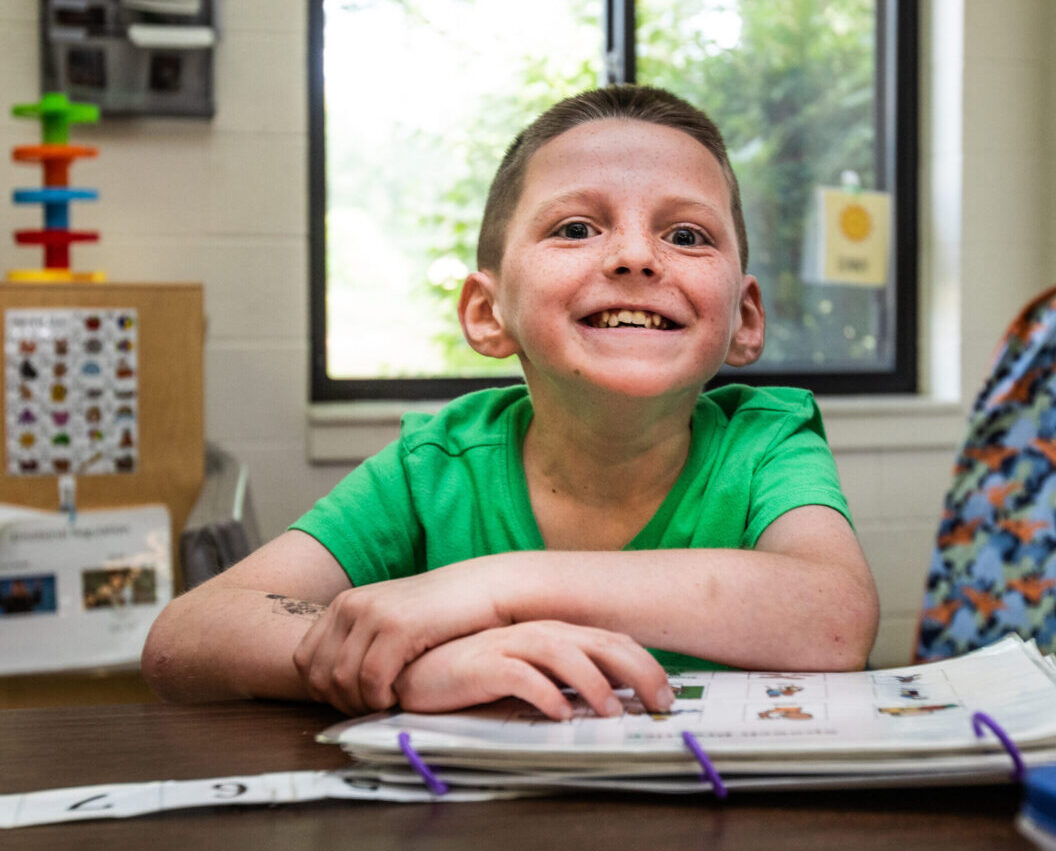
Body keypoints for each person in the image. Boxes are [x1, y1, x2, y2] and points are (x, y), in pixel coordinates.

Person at [142, 85, 879, 721]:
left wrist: (493, 589)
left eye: (686, 234)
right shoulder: (434, 466)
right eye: (576, 229)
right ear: (487, 313)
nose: (634, 256)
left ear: (744, 318)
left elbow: (835, 619)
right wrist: (406, 669)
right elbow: (186, 636)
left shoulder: (765, 441)